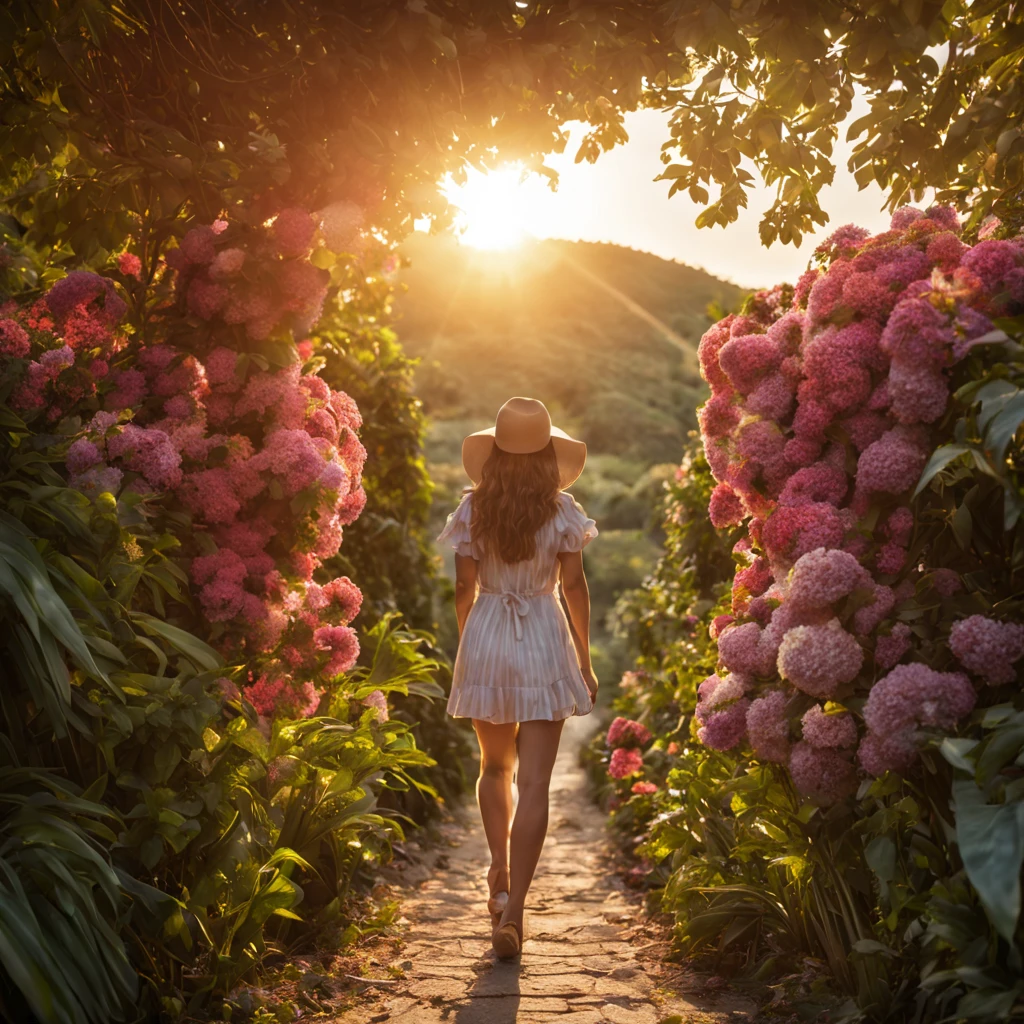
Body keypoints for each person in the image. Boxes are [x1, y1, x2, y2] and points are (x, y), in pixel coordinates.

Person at [437, 396, 599, 960]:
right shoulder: (562, 511)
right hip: (544, 639)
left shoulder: (472, 509)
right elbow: (573, 588)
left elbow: (462, 588)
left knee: (493, 766)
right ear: (550, 455)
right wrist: (584, 657)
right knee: (534, 782)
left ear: (495, 454)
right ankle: (516, 910)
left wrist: (471, 642)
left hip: (486, 634)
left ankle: (499, 873)